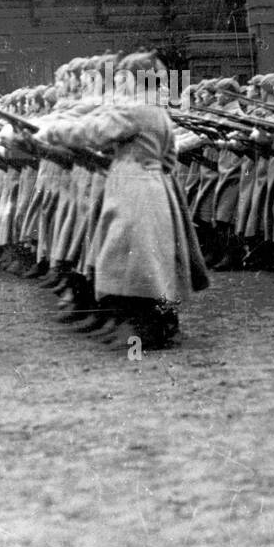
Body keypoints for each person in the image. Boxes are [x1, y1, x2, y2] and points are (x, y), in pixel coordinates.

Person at [30, 49, 209, 347]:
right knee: (150, 260)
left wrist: (48, 132)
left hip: (132, 187)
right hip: (154, 185)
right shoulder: (156, 110)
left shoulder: (135, 109)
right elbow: (168, 159)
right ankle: (157, 326)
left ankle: (142, 331)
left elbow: (91, 131)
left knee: (130, 258)